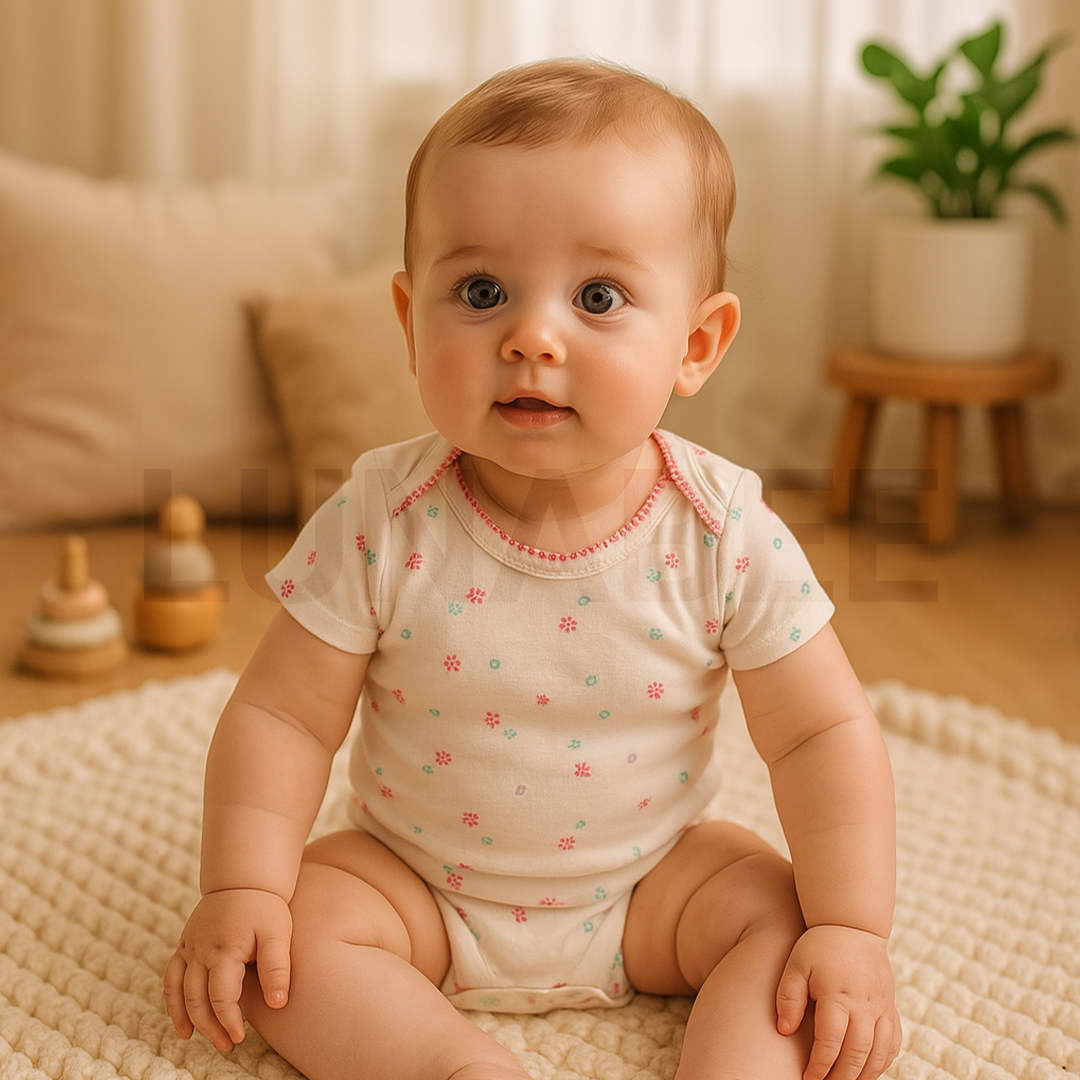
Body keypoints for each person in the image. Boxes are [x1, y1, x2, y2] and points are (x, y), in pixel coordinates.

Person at [164, 58, 901, 1080]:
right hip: (415, 885)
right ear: (409, 321)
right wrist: (240, 888)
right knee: (279, 945)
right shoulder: (382, 516)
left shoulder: (720, 528)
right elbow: (282, 718)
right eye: (482, 292)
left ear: (696, 343)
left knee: (784, 925)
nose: (531, 337)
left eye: (598, 296)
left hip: (655, 888)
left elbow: (821, 733)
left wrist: (852, 927)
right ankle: (455, 1067)